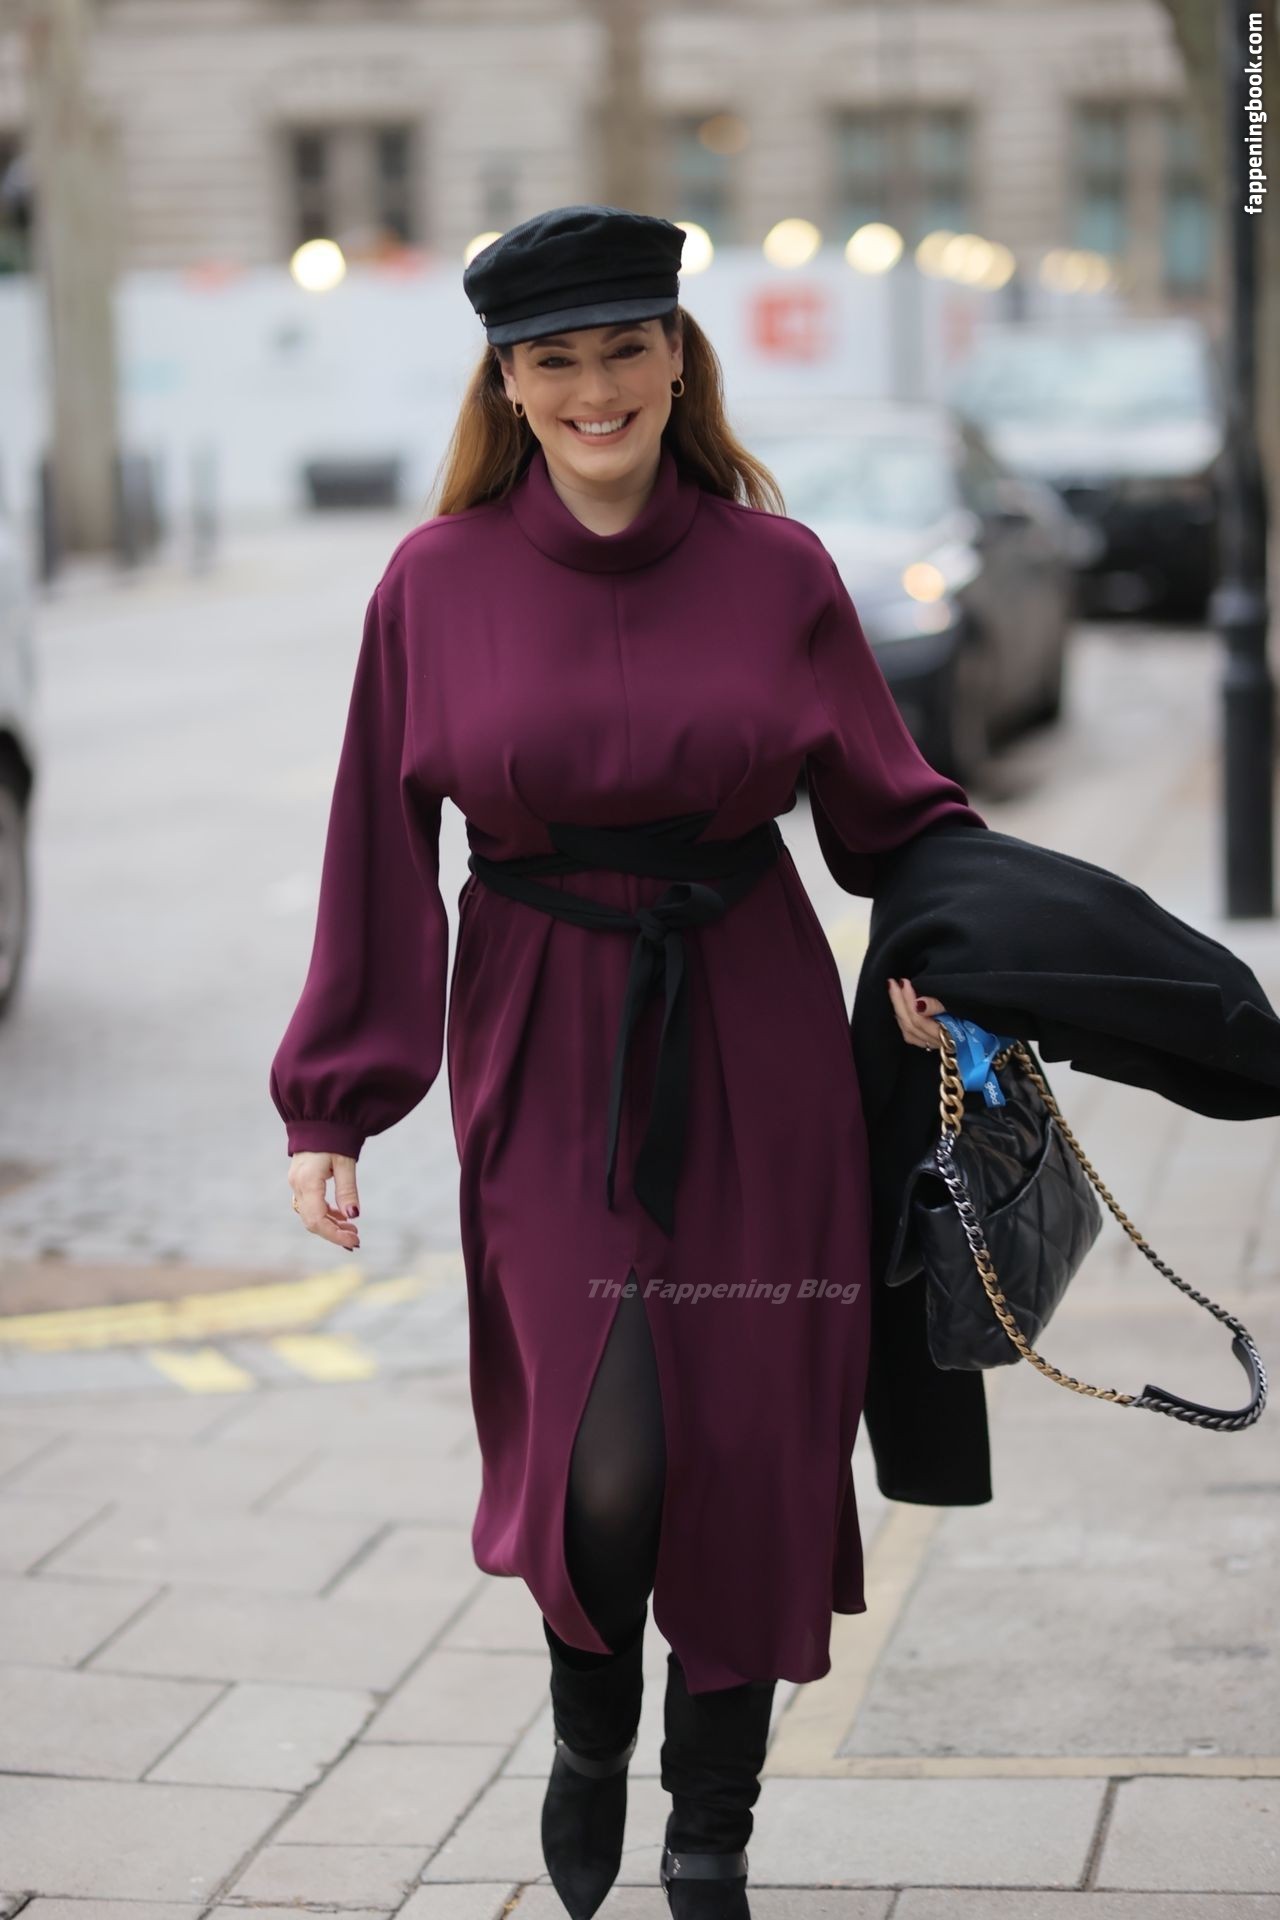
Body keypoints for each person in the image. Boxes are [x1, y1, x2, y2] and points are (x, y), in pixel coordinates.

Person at [269, 203, 984, 1920]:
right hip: (539, 1036)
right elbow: (377, 843)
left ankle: (710, 1831)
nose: (594, 389)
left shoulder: (780, 570)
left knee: (749, 1430)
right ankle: (592, 1731)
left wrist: (950, 967)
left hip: (753, 1025)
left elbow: (896, 814)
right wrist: (335, 1101)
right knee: (608, 1460)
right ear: (508, 385)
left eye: (623, 349)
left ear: (677, 361)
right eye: (555, 360)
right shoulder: (432, 582)